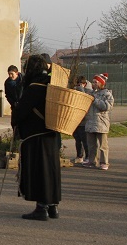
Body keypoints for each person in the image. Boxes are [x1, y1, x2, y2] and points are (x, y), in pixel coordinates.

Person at [11, 54, 61, 221]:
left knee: (39, 172)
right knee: (51, 171)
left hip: (36, 136)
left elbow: (22, 111)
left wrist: (15, 115)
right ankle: (52, 206)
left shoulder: (34, 88)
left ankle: (41, 208)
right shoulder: (52, 86)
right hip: (52, 135)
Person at [80, 73, 114, 170]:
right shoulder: (92, 93)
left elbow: (106, 107)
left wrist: (95, 100)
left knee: (103, 145)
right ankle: (92, 161)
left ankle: (104, 162)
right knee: (91, 145)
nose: (93, 84)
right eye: (93, 82)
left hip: (101, 123)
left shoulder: (107, 94)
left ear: (101, 83)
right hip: (90, 122)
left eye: (95, 82)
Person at [72, 77, 92, 164]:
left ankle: (88, 156)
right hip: (76, 120)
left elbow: (85, 100)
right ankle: (79, 156)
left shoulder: (89, 91)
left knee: (85, 140)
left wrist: (81, 89)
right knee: (77, 139)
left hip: (85, 120)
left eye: (79, 84)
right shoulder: (76, 89)